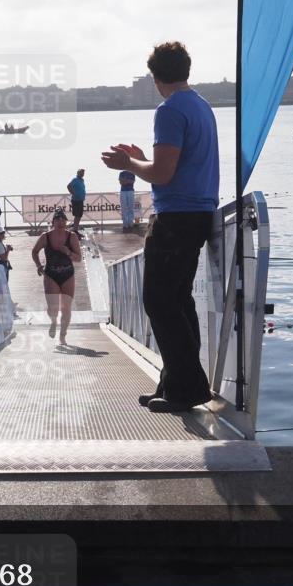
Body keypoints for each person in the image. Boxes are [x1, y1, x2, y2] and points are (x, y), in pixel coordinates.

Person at [100, 41, 219, 412]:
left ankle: (186, 389)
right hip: (198, 213)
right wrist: (142, 158)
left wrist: (128, 164)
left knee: (160, 302)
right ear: (186, 69)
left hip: (176, 217)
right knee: (178, 302)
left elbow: (164, 174)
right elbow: (177, 164)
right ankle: (175, 383)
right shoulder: (201, 106)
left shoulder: (169, 111)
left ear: (155, 77)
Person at [31, 208, 82, 345]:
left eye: (63, 220)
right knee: (53, 308)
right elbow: (34, 252)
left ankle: (62, 336)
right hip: (51, 274)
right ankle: (53, 321)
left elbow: (79, 258)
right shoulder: (45, 236)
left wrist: (69, 253)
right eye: (57, 220)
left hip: (67, 274)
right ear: (52, 222)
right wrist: (38, 266)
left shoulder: (71, 236)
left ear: (66, 222)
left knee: (66, 308)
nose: (60, 222)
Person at [66, 169, 86, 234]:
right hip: (76, 200)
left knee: (79, 215)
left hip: (80, 200)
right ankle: (75, 230)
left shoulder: (82, 180)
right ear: (78, 173)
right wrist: (73, 193)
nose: (82, 174)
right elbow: (68, 186)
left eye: (83, 173)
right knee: (77, 215)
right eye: (81, 173)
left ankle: (75, 228)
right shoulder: (75, 179)